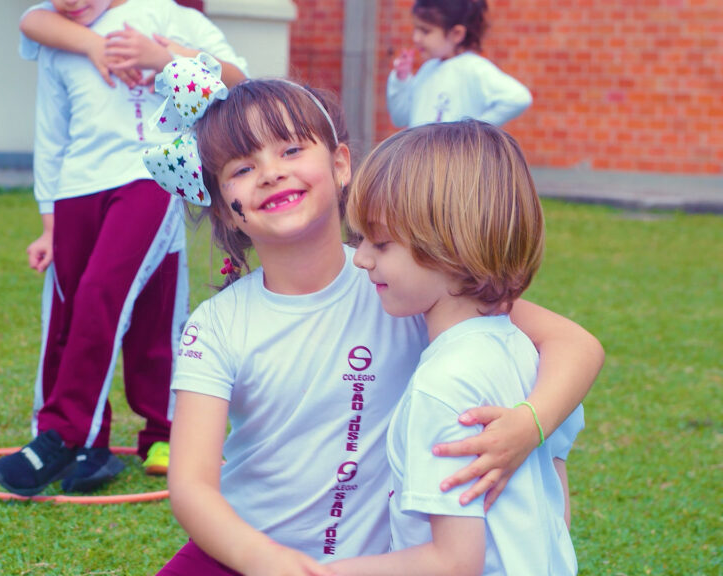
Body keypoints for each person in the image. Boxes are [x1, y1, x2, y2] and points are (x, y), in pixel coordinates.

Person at [147, 62, 602, 575]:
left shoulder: (406, 284)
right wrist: (266, 561)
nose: (271, 171)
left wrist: (528, 424)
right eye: (241, 168)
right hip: (244, 553)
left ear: (341, 164)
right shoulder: (217, 326)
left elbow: (575, 344)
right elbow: (191, 486)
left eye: (291, 149)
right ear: (227, 209)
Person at [0, 0, 247, 495]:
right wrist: (47, 222)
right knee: (75, 307)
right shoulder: (55, 34)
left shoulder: (166, 16)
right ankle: (93, 443)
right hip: (76, 186)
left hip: (150, 174)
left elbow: (237, 81)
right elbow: (51, 129)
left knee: (101, 293)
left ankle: (67, 434)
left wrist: (163, 56)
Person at [329, 120, 584, 575]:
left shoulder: (442, 386)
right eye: (359, 239)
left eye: (381, 243)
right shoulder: (534, 358)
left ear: (451, 245)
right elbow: (556, 511)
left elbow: (453, 561)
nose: (363, 258)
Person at [387, 0, 531, 128]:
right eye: (416, 29)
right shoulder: (427, 69)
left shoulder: (473, 68)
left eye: (425, 31)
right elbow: (400, 118)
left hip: (451, 158)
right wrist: (401, 80)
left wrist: (475, 132)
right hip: (420, 157)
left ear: (456, 34)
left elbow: (519, 98)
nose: (416, 38)